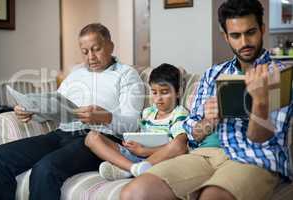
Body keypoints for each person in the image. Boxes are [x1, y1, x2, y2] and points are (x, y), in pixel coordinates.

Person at [120, 1, 293, 200]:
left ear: (262, 30)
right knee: (134, 192)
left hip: (254, 157)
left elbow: (263, 139)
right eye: (236, 35)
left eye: (250, 32)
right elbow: (193, 133)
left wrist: (260, 104)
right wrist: (209, 122)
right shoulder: (213, 74)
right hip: (205, 155)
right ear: (226, 37)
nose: (244, 42)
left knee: (212, 197)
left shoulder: (280, 75)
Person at [0, 23, 144, 200]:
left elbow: (132, 123)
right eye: (85, 51)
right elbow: (56, 106)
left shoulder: (127, 75)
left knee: (45, 169)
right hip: (62, 133)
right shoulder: (75, 74)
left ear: (110, 46)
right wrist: (31, 111)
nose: (91, 57)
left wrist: (103, 117)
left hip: (98, 140)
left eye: (96, 49)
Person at [85, 63, 190, 180]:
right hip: (136, 156)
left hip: (159, 159)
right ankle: (132, 168)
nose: (158, 98)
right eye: (154, 92)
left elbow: (179, 147)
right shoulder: (148, 112)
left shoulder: (179, 114)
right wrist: (131, 144)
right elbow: (140, 135)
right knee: (92, 137)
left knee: (177, 145)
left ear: (178, 92)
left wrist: (145, 151)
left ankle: (127, 169)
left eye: (164, 92)